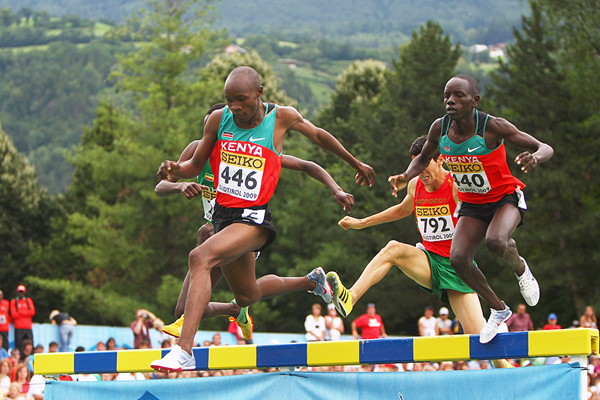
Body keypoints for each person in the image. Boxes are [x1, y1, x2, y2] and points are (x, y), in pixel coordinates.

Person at [151, 66, 374, 372]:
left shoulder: (280, 118)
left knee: (199, 256)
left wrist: (354, 163)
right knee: (248, 294)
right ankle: (312, 281)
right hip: (224, 219)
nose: (235, 107)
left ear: (259, 93)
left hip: (253, 220)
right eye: (229, 101)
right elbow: (192, 166)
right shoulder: (219, 120)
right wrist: (175, 173)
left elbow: (318, 138)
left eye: (241, 99)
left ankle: (184, 350)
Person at [157, 103, 355, 339]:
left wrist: (337, 189)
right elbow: (161, 185)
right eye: (207, 132)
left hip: (243, 229)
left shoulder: (244, 151)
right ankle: (243, 306)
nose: (210, 138)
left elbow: (305, 164)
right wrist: (179, 184)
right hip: (215, 231)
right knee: (188, 309)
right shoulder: (195, 152)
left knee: (206, 239)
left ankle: (188, 345)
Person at [388, 75, 553, 343]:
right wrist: (406, 176)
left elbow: (545, 146)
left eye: (458, 96)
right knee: (458, 259)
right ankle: (499, 309)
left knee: (497, 241)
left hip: (504, 198)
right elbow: (423, 157)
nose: (450, 101)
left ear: (475, 100)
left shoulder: (492, 127)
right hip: (473, 204)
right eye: (446, 96)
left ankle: (521, 268)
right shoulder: (439, 129)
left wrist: (535, 157)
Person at [328, 135, 512, 367]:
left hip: (458, 269)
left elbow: (484, 209)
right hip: (429, 260)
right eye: (416, 165)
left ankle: (512, 379)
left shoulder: (456, 186)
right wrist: (361, 222)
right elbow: (401, 210)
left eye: (425, 164)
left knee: (481, 343)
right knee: (393, 249)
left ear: (440, 160)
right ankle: (350, 298)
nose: (421, 172)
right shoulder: (415, 186)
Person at [10, 286, 35, 352]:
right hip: (18, 327)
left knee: (30, 343)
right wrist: (26, 312)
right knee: (19, 344)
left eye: (22, 292)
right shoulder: (14, 301)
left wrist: (20, 312)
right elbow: (13, 314)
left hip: (28, 326)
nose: (21, 294)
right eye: (19, 292)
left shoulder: (28, 300)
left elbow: (32, 312)